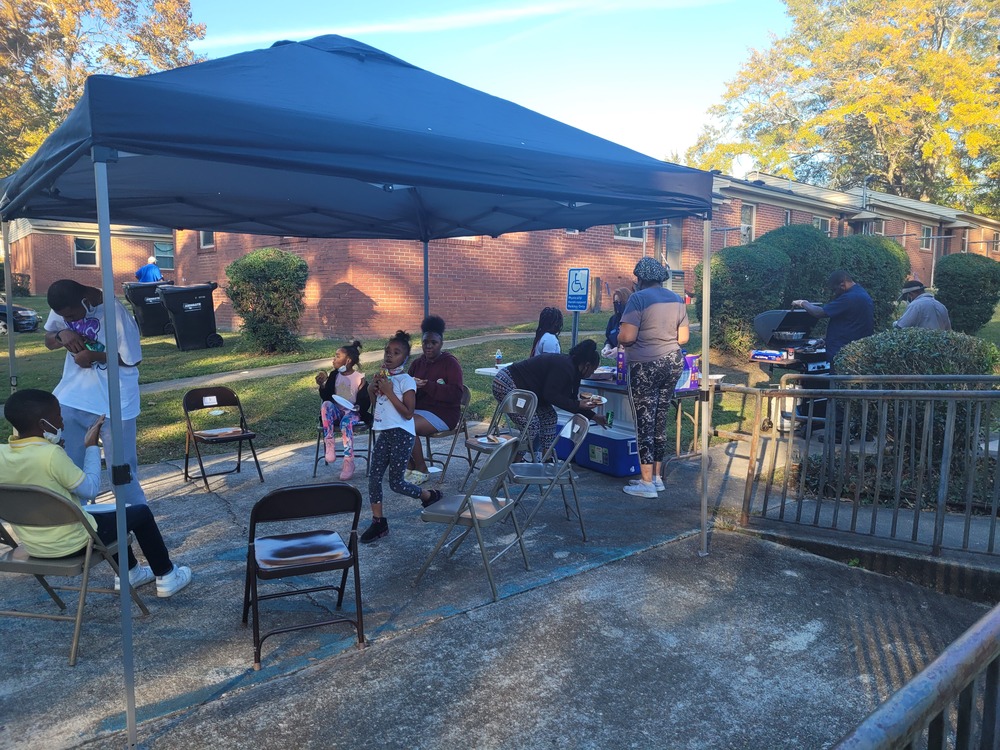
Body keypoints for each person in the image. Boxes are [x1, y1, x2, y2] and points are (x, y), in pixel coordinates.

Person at [0, 389, 192, 597]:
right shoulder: (50, 455)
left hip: (34, 545)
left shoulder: (3, 454)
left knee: (116, 514)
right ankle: (167, 576)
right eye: (58, 416)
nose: (63, 423)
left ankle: (130, 573)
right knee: (141, 513)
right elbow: (90, 488)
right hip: (74, 543)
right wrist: (91, 447)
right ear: (43, 424)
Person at [43, 279, 148, 506]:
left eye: (71, 317)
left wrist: (95, 356)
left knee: (121, 472)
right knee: (71, 469)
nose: (69, 321)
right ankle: (81, 528)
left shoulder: (115, 313)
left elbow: (133, 360)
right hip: (73, 398)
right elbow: (48, 340)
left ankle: (138, 518)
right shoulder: (63, 307)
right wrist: (62, 334)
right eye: (64, 318)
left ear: (85, 300)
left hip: (115, 402)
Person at [361, 331, 444, 544]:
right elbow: (373, 404)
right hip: (385, 434)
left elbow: (408, 412)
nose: (389, 356)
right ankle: (379, 522)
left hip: (402, 435)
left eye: (396, 353)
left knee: (396, 483)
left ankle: (428, 496)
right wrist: (373, 388)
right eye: (387, 351)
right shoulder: (384, 378)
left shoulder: (406, 380)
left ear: (405, 358)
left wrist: (388, 391)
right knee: (374, 477)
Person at [617, 257, 689, 499]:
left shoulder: (638, 299)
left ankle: (645, 483)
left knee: (644, 422)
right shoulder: (677, 299)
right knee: (659, 419)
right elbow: (683, 338)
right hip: (673, 362)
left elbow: (627, 336)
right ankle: (657, 478)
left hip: (646, 365)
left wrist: (619, 335)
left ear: (640, 278)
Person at [492, 339, 608, 461]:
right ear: (587, 366)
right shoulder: (564, 367)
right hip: (507, 383)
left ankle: (546, 458)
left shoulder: (574, 371)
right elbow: (550, 395)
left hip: (529, 393)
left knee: (550, 418)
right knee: (531, 425)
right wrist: (578, 404)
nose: (592, 373)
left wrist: (595, 417)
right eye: (593, 370)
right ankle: (514, 463)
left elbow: (571, 402)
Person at [405, 315, 464, 484]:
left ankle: (422, 468)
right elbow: (407, 390)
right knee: (395, 421)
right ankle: (409, 465)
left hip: (444, 414)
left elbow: (456, 394)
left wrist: (429, 386)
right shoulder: (417, 364)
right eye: (425, 342)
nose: (428, 346)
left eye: (433, 343)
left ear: (441, 343)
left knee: (407, 425)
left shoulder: (450, 363)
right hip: (420, 410)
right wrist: (411, 386)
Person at [792, 270, 874, 365]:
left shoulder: (849, 298)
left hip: (843, 354)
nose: (835, 293)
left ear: (842, 284)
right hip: (855, 351)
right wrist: (826, 340)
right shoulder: (862, 294)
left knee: (837, 379)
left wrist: (803, 303)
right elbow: (852, 324)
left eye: (835, 289)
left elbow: (819, 313)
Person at [316, 340, 368, 480]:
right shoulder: (334, 375)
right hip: (336, 413)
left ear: (348, 360)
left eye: (337, 356)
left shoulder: (359, 378)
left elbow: (365, 399)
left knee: (346, 423)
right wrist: (322, 385)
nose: (334, 359)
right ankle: (330, 443)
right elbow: (327, 396)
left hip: (352, 413)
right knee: (326, 404)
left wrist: (359, 407)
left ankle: (348, 461)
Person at [602, 287, 632, 357]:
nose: (618, 305)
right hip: (619, 362)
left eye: (620, 302)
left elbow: (637, 343)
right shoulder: (614, 319)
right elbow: (609, 338)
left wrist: (620, 350)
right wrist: (607, 346)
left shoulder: (634, 319)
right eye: (615, 302)